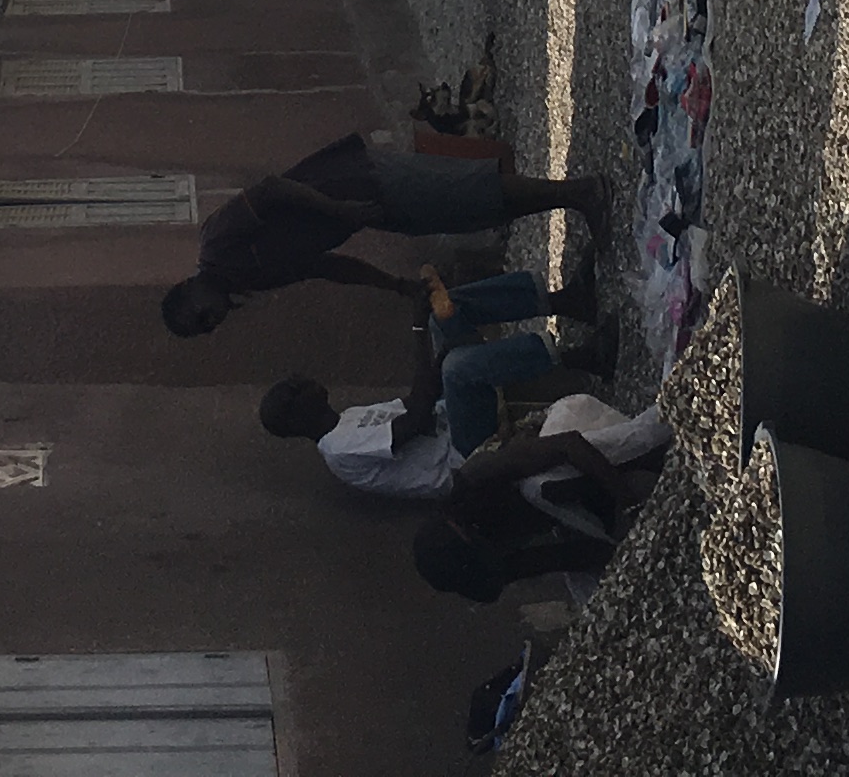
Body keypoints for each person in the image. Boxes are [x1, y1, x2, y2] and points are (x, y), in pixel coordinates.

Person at [160, 133, 611, 337]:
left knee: (466, 189)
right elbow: (325, 266)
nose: (212, 319)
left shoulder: (217, 243)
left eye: (200, 316)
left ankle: (579, 191)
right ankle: (572, 202)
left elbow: (271, 188)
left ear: (189, 291)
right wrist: (393, 285)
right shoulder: (247, 279)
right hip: (366, 209)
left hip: (355, 180)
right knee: (469, 208)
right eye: (207, 328)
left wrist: (337, 208)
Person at [257, 269, 613, 495]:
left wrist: (436, 344)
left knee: (444, 310)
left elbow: (417, 401)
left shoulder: (347, 419)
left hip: (454, 420)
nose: (304, 380)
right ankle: (584, 357)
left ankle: (565, 300)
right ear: (297, 418)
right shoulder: (339, 449)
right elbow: (416, 420)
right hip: (466, 456)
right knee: (457, 368)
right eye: (296, 388)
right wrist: (421, 334)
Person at [408, 426, 666, 602]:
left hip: (570, 440)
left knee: (540, 489)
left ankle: (654, 454)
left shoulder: (477, 479)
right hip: (569, 514)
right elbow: (562, 557)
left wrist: (629, 503)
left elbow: (569, 444)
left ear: (462, 530)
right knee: (591, 594)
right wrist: (628, 559)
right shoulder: (485, 564)